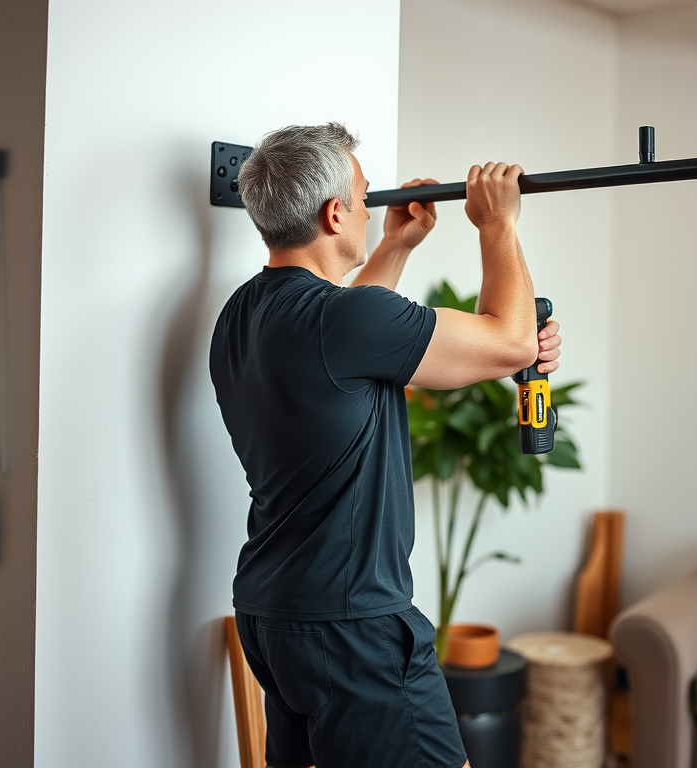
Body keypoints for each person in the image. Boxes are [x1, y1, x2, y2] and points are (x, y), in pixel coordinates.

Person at [210, 123, 562, 768]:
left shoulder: (241, 315)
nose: (373, 208)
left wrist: (397, 242)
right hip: (353, 629)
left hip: (273, 613)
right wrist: (497, 224)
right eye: (366, 197)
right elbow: (510, 343)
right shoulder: (342, 321)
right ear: (335, 212)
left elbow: (347, 332)